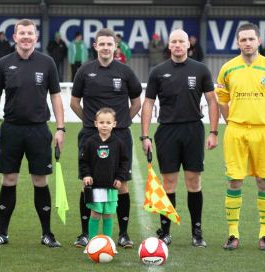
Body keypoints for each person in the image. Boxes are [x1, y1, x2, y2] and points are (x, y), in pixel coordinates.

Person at [0, 19, 65, 248]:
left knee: (40, 180)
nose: (26, 37)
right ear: (15, 36)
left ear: (36, 38)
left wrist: (60, 128)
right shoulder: (4, 63)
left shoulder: (47, 63)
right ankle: (2, 233)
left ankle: (47, 233)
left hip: (39, 130)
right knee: (9, 179)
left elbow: (56, 96)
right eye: (22, 33)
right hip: (11, 130)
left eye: (30, 33)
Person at [141, 29, 219, 248]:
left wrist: (214, 132)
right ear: (169, 45)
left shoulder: (201, 69)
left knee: (194, 182)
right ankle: (165, 232)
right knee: (169, 183)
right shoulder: (158, 72)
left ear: (188, 45)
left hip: (194, 130)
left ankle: (197, 232)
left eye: (181, 41)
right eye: (173, 41)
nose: (177, 45)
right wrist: (144, 135)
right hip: (167, 131)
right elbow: (148, 103)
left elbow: (212, 101)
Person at [215, 23, 265, 251]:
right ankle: (232, 234)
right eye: (243, 39)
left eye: (251, 39)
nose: (247, 43)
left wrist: (262, 119)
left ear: (259, 41)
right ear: (237, 43)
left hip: (264, 132)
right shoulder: (227, 69)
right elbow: (222, 101)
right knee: (234, 180)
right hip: (235, 131)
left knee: (264, 181)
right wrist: (234, 121)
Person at [70, 28, 142, 249]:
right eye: (101, 44)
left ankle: (124, 234)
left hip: (119, 137)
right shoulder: (84, 71)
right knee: (88, 183)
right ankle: (84, 234)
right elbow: (74, 102)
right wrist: (92, 123)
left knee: (121, 185)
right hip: (91, 137)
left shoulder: (125, 71)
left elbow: (137, 102)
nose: (105, 48)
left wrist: (119, 124)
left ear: (115, 47)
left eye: (109, 44)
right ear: (95, 46)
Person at [80, 108, 128, 240]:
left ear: (114, 124)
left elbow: (124, 163)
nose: (105, 125)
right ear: (96, 124)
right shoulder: (90, 142)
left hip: (111, 186)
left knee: (108, 215)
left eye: (108, 122)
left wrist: (120, 177)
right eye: (101, 122)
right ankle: (91, 242)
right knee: (95, 214)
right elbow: (84, 162)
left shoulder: (118, 143)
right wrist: (86, 175)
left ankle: (108, 243)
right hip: (96, 187)